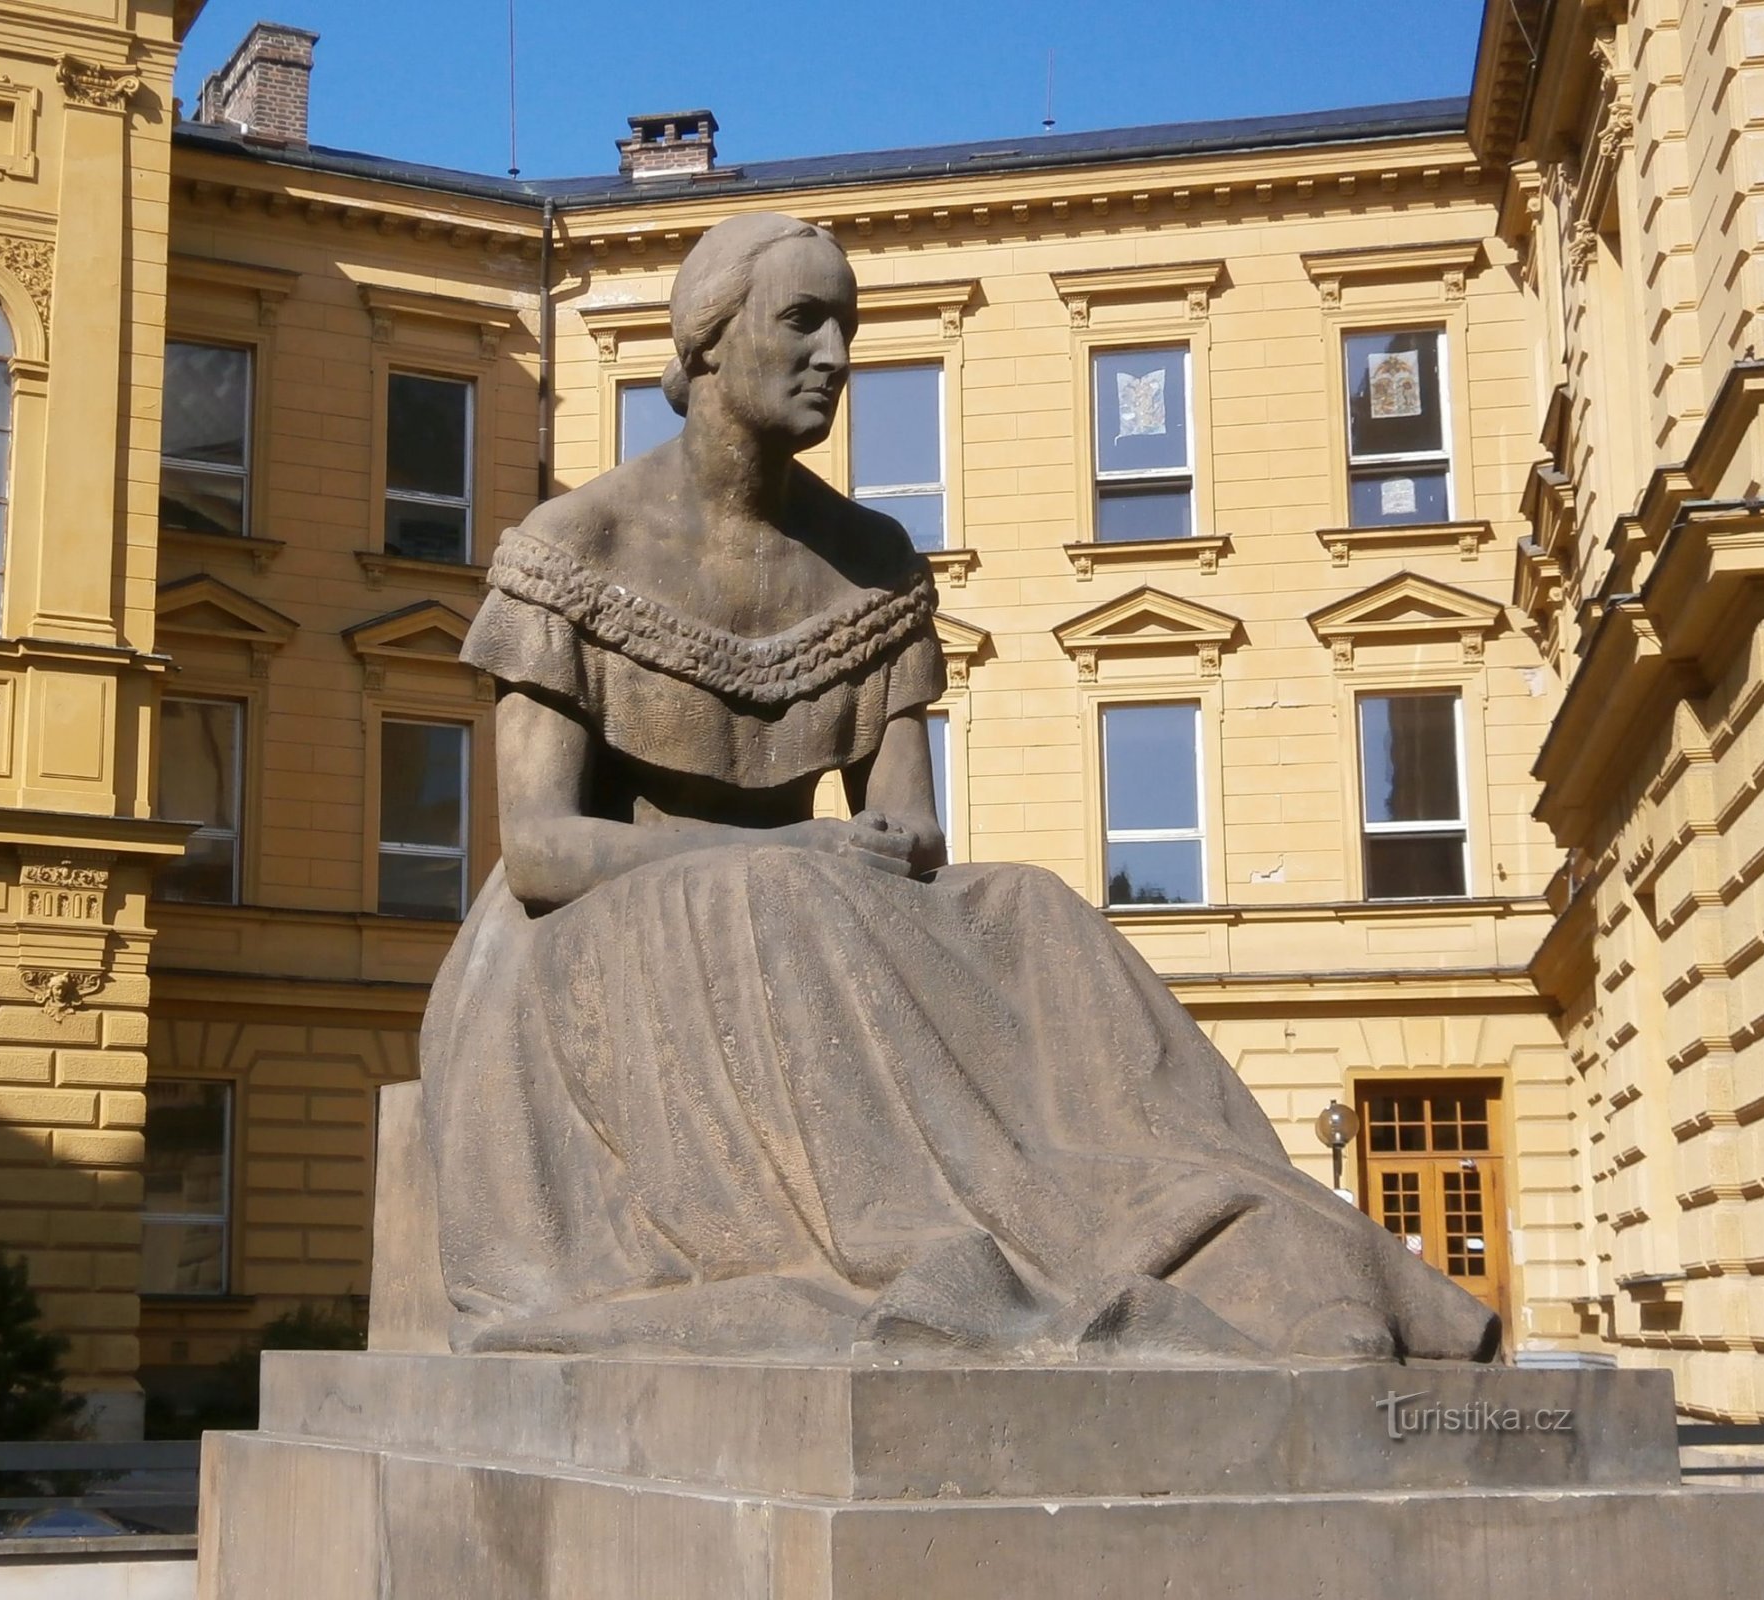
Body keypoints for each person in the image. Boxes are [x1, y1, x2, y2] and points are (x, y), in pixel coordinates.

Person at [419, 212, 1498, 1364]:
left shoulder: (873, 561)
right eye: (801, 321)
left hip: (803, 905)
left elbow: (910, 825)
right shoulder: (573, 544)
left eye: (849, 327)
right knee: (779, 898)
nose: (837, 354)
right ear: (705, 341)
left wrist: (871, 846)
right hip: (598, 925)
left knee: (1030, 903)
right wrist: (793, 856)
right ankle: (951, 1251)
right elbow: (539, 847)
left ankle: (1260, 1250)